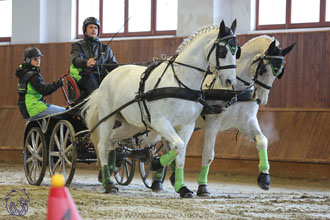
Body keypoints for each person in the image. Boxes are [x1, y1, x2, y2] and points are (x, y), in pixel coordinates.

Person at [70, 17, 118, 97]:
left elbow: (113, 64)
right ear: (84, 29)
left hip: (102, 76)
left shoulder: (105, 48)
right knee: (90, 77)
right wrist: (86, 62)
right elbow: (76, 60)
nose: (93, 30)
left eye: (96, 28)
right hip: (85, 76)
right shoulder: (78, 46)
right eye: (91, 27)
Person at [16, 47, 65, 121]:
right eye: (35, 59)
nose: (38, 61)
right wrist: (58, 84)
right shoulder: (33, 76)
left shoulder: (24, 74)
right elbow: (44, 90)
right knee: (65, 112)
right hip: (34, 107)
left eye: (39, 58)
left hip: (25, 109)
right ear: (28, 60)